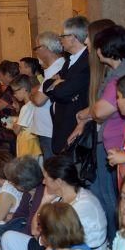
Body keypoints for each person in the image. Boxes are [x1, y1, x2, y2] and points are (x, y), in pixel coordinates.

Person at [72, 25, 125, 233]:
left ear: (104, 48)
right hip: (113, 144)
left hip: (120, 145)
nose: (91, 47)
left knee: (111, 198)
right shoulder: (117, 71)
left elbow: (103, 109)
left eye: (93, 43)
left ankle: (115, 242)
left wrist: (86, 113)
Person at [43, 17, 91, 155]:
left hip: (74, 127)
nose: (60, 40)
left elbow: (62, 92)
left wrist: (58, 85)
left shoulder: (87, 61)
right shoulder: (68, 61)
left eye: (62, 36)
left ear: (73, 37)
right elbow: (47, 86)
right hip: (62, 127)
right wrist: (56, 84)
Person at [30, 32, 65, 160]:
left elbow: (39, 99)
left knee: (53, 170)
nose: (36, 53)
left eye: (37, 48)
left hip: (51, 131)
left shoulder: (58, 68)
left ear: (46, 48)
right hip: (46, 130)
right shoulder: (51, 69)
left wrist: (32, 94)